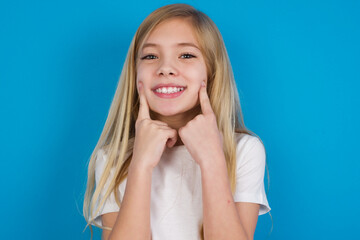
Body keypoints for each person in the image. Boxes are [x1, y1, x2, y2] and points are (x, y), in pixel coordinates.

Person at [83, 3, 271, 240]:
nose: (166, 68)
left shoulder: (244, 150)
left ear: (211, 71)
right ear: (135, 74)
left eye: (186, 55)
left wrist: (212, 159)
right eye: (151, 56)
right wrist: (140, 165)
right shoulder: (113, 159)